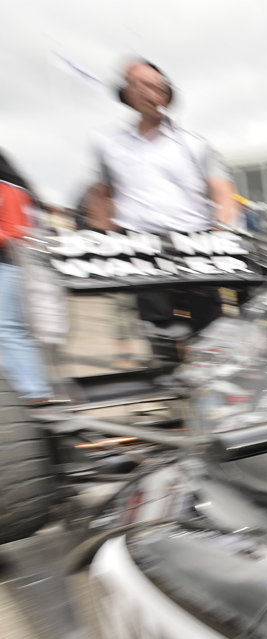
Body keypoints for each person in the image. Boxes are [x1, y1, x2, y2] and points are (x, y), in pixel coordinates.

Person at [86, 59, 235, 361]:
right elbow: (102, 195)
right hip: (142, 247)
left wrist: (223, 230)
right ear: (125, 92)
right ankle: (172, 385)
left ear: (166, 95)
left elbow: (223, 192)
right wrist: (103, 239)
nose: (146, 92)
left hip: (197, 247)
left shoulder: (193, 144)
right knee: (159, 331)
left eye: (154, 86)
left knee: (210, 331)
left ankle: (213, 381)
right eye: (137, 84)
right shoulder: (109, 144)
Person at [0, 151, 54, 402]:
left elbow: (15, 231)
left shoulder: (8, 190)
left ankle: (34, 392)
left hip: (9, 266)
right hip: (12, 266)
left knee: (9, 330)